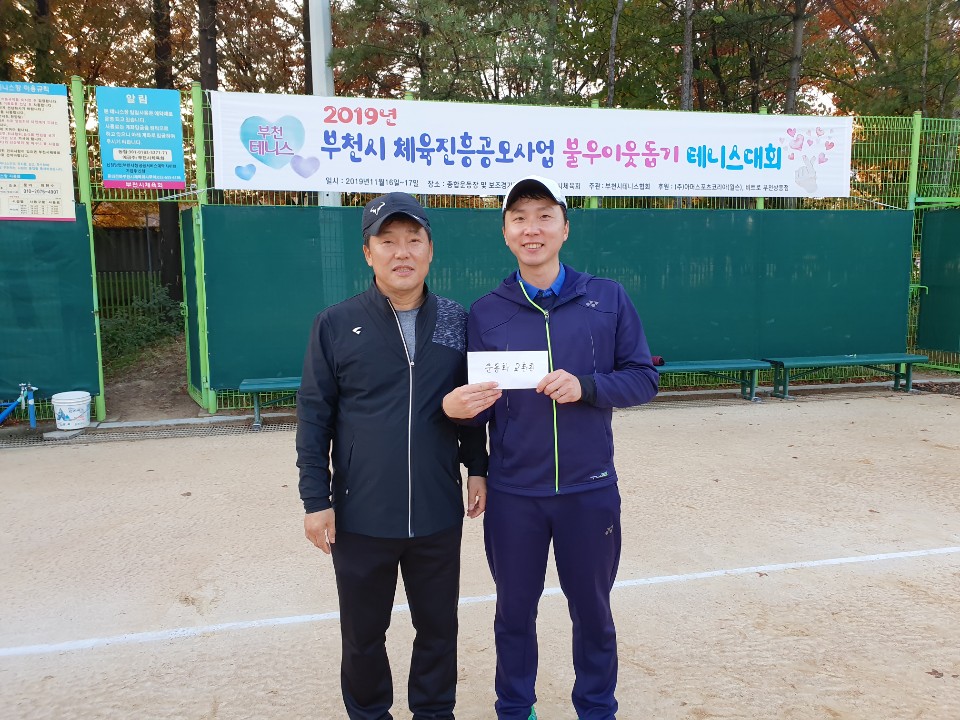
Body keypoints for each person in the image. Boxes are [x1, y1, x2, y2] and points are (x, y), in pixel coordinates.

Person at [442, 175, 660, 720]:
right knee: (514, 614)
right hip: (515, 494)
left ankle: (597, 708)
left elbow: (643, 378)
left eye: (544, 216)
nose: (531, 228)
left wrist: (587, 386)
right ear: (505, 232)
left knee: (593, 612)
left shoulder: (607, 298)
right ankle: (516, 708)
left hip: (590, 490)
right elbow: (479, 410)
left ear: (565, 227)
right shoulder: (486, 312)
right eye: (519, 218)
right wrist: (474, 454)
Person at [296, 192, 489, 720]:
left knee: (438, 627)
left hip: (436, 510)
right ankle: (368, 713)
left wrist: (478, 467)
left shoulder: (456, 319)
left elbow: (473, 399)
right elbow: (314, 417)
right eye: (388, 242)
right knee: (363, 633)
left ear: (430, 250)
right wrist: (316, 500)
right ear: (368, 253)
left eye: (413, 240)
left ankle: (434, 712)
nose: (402, 252)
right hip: (361, 513)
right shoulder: (335, 323)